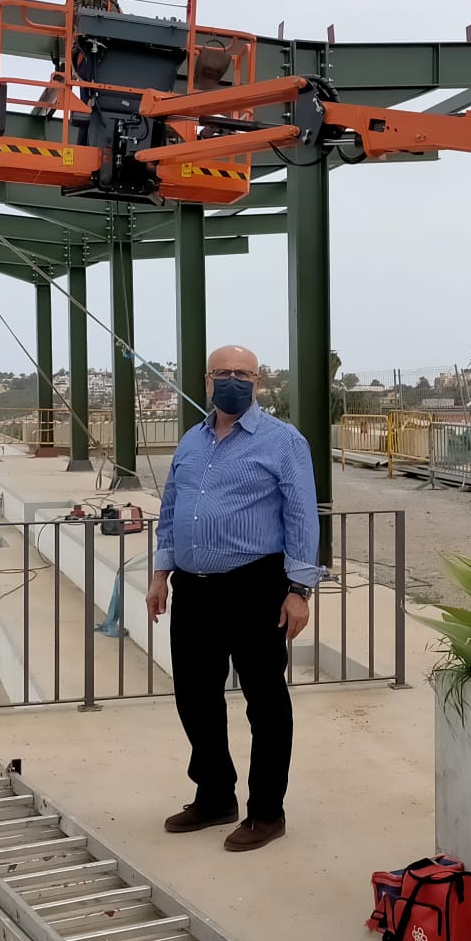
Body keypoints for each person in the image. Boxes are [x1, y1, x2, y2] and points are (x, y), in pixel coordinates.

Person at [146, 345, 323, 852]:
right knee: (195, 696)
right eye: (222, 373)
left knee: (264, 701)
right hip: (192, 587)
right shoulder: (192, 440)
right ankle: (214, 795)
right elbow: (172, 506)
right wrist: (161, 572)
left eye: (241, 373)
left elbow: (301, 517)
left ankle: (266, 811)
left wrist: (297, 590)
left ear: (257, 382)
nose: (232, 381)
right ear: (206, 380)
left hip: (256, 586)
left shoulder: (283, 442)